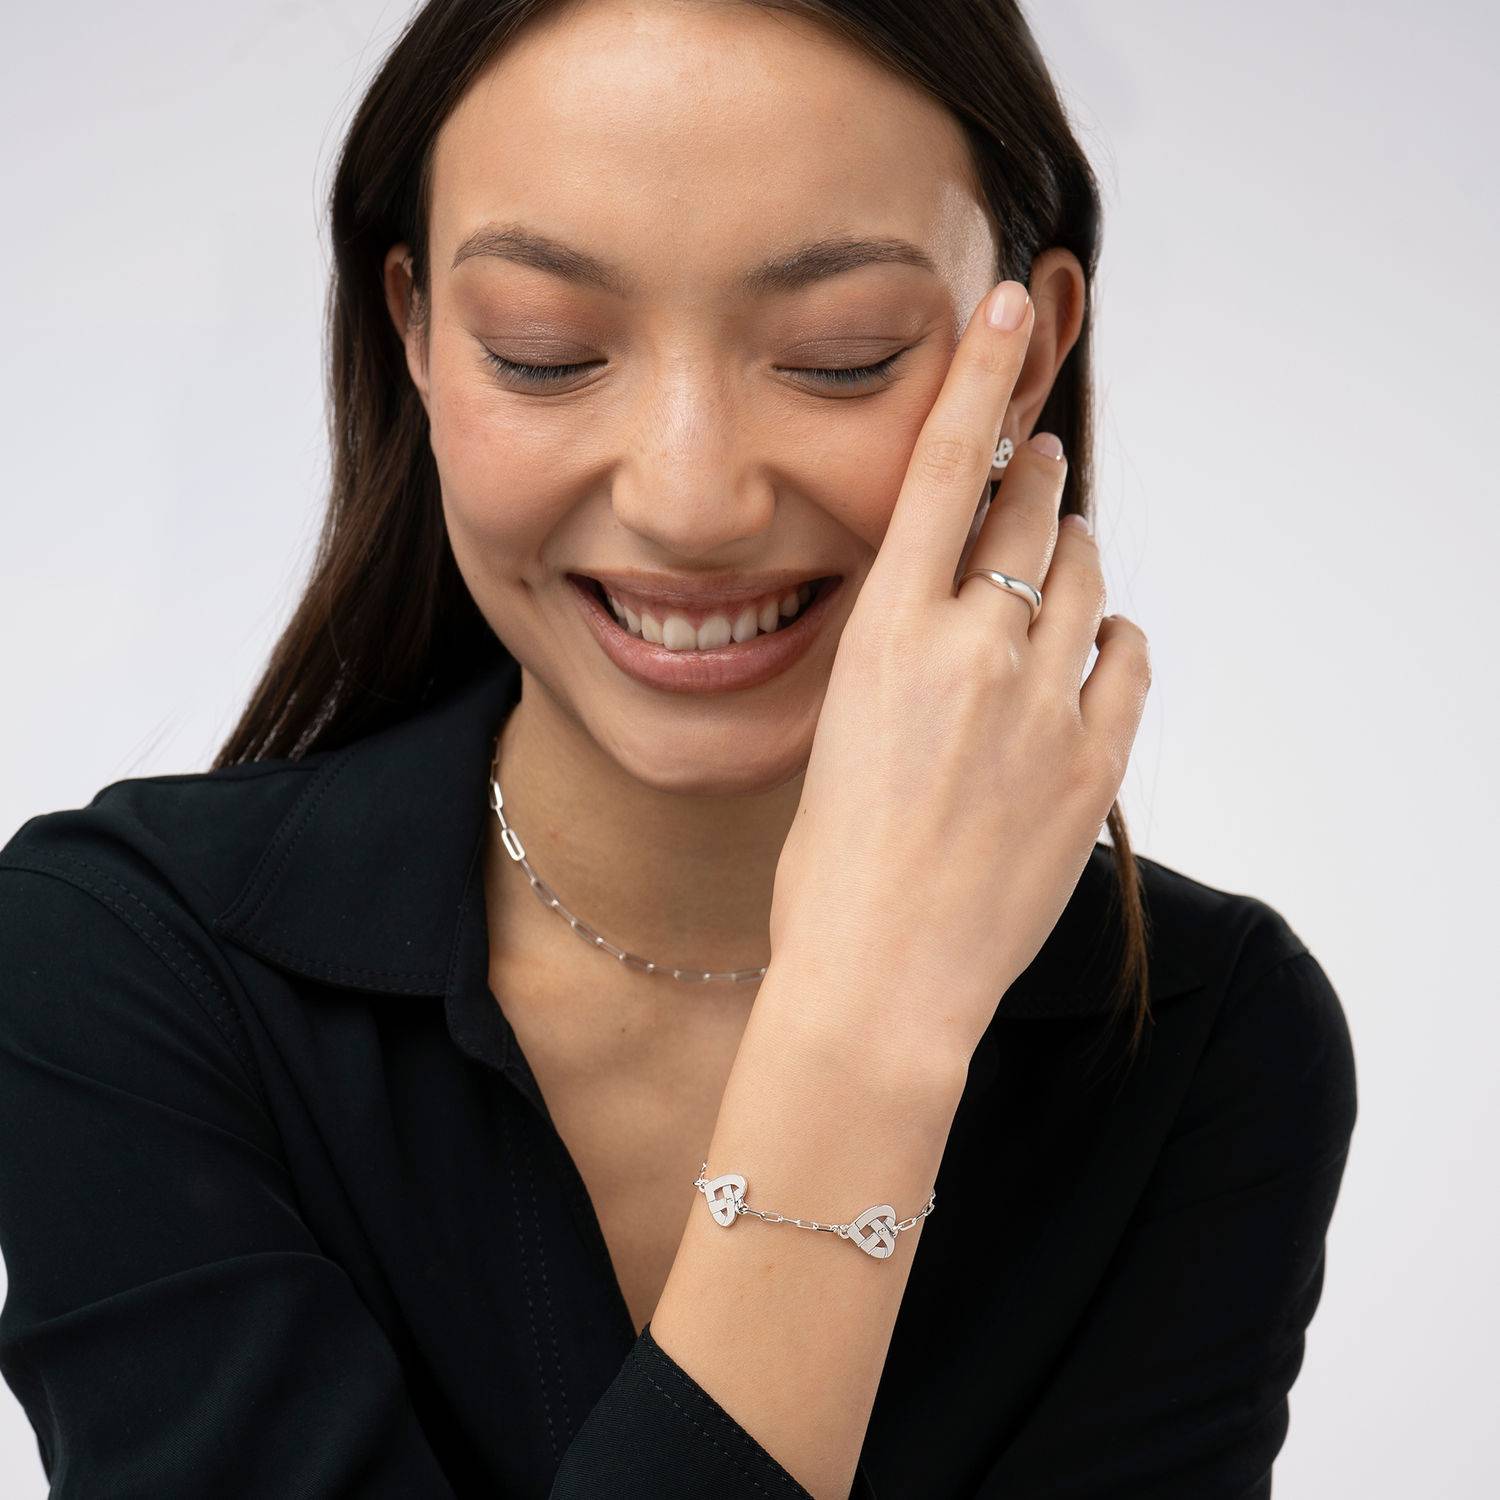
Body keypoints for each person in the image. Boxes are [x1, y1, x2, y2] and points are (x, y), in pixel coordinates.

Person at [0, 1, 1358, 1496]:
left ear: (1021, 365)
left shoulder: (1210, 1044)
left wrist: (874, 1012)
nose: (691, 498)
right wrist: (863, 1046)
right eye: (545, 353)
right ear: (416, 336)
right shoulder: (118, 965)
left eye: (841, 358)